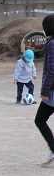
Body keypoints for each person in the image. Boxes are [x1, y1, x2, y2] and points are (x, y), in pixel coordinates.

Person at [35, 14, 54, 166]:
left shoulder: (52, 44)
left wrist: (45, 91)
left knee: (40, 119)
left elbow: (52, 70)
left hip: (53, 91)